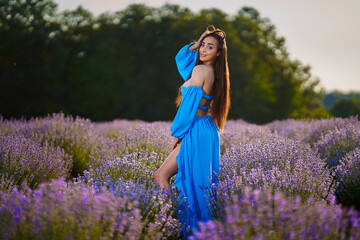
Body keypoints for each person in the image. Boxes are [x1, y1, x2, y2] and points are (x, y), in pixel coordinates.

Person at [154, 26, 230, 237]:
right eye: (203, 45)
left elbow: (188, 105)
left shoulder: (200, 71)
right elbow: (182, 60)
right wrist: (197, 45)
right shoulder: (214, 72)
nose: (203, 50)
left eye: (210, 47)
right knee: (200, 187)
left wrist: (178, 133)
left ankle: (176, 226)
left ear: (218, 53)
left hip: (195, 129)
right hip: (206, 129)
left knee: (162, 176)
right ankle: (197, 230)